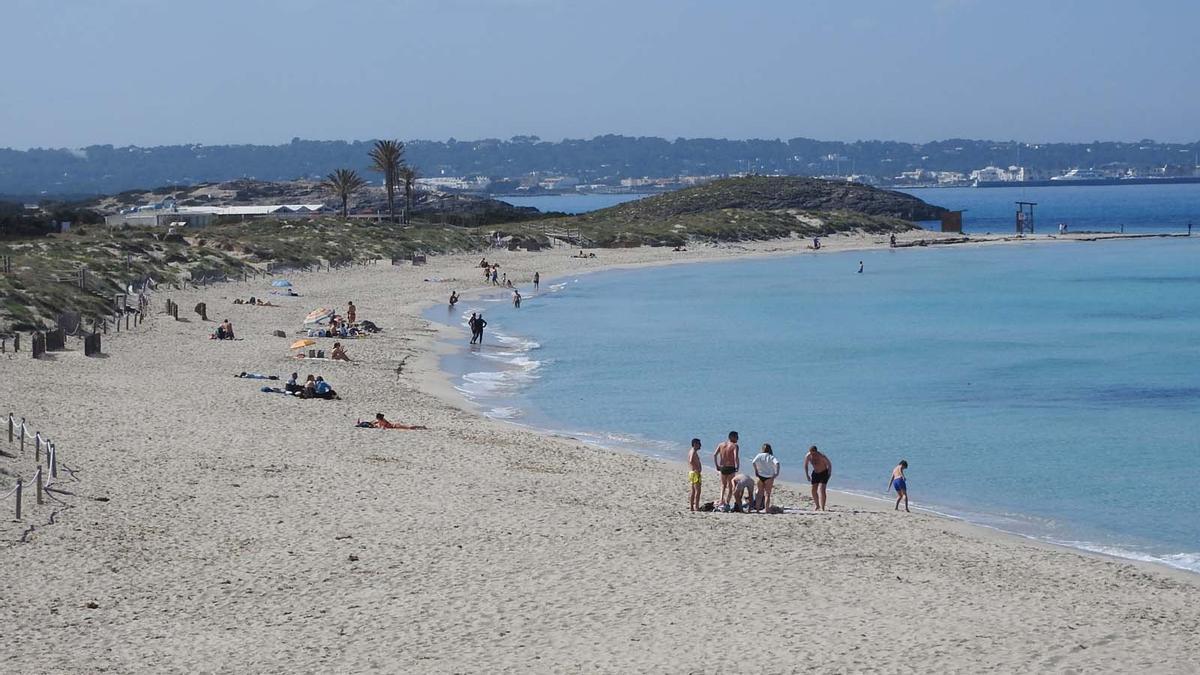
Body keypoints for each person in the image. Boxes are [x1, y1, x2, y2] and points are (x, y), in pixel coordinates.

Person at [712, 431, 740, 508]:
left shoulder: (721, 445)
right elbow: (735, 457)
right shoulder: (735, 446)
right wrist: (738, 466)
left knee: (723, 485)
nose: (738, 438)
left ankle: (721, 500)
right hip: (731, 467)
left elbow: (714, 455)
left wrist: (717, 465)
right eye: (736, 437)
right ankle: (727, 502)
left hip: (722, 467)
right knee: (730, 486)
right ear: (732, 437)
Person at [751, 443, 780, 512]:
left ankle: (757, 509)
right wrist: (776, 473)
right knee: (767, 494)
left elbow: (753, 462)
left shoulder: (759, 455)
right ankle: (767, 509)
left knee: (759, 494)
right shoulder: (771, 456)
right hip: (769, 477)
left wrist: (756, 470)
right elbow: (777, 463)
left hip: (760, 476)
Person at [804, 445, 832, 511]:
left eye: (814, 453)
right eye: (811, 453)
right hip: (815, 473)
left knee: (822, 489)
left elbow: (829, 464)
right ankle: (817, 505)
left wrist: (829, 474)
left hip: (824, 472)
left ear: (816, 452)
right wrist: (807, 475)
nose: (813, 455)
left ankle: (823, 507)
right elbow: (806, 465)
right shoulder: (808, 456)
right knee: (813, 490)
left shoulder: (821, 456)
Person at [686, 438, 703, 512]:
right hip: (695, 473)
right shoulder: (693, 451)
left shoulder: (692, 451)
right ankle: (696, 507)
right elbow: (691, 460)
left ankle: (692, 507)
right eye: (699, 444)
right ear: (695, 444)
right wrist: (697, 469)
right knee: (698, 491)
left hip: (692, 472)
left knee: (693, 490)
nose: (700, 445)